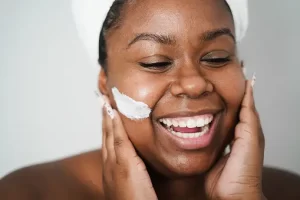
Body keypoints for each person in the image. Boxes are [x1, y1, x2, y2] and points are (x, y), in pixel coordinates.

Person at [1, 0, 300, 199]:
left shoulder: (288, 191)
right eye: (155, 62)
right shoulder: (29, 193)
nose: (194, 84)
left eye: (217, 57)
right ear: (105, 84)